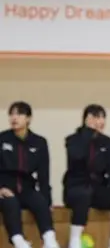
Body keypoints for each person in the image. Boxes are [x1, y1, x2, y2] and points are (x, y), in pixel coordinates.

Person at [63, 105, 110, 248]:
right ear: (85, 120)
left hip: (98, 186)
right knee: (83, 195)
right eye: (94, 117)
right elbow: (77, 157)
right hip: (76, 186)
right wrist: (88, 132)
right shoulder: (73, 140)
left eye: (101, 117)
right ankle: (75, 239)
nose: (99, 121)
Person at [0, 101, 59, 248]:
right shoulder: (2, 138)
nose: (14, 118)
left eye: (19, 114)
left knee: (40, 202)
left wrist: (48, 200)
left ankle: (49, 239)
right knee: (11, 202)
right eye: (11, 114)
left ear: (28, 119)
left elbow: (43, 174)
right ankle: (18, 241)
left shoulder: (39, 142)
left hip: (26, 187)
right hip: (5, 186)